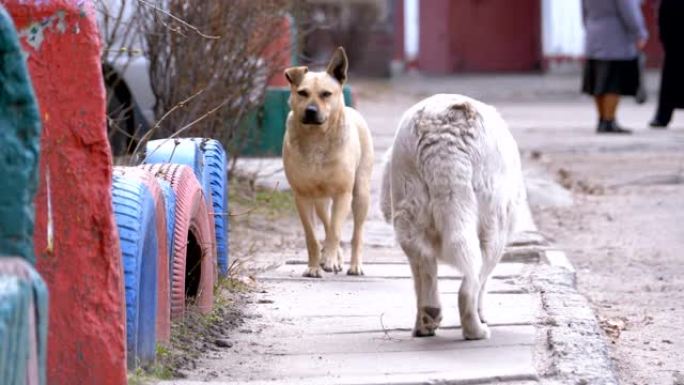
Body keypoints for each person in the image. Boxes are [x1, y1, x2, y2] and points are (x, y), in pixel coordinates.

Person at [582, 0, 648, 134]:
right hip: (615, 35)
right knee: (613, 82)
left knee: (598, 81)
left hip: (594, 32)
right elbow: (629, 12)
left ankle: (602, 119)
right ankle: (609, 119)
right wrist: (639, 33)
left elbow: (583, 12)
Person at [650, 0, 684, 128]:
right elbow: (663, 17)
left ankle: (662, 116)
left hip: (673, 44)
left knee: (670, 81)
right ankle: (662, 116)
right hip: (674, 45)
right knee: (670, 82)